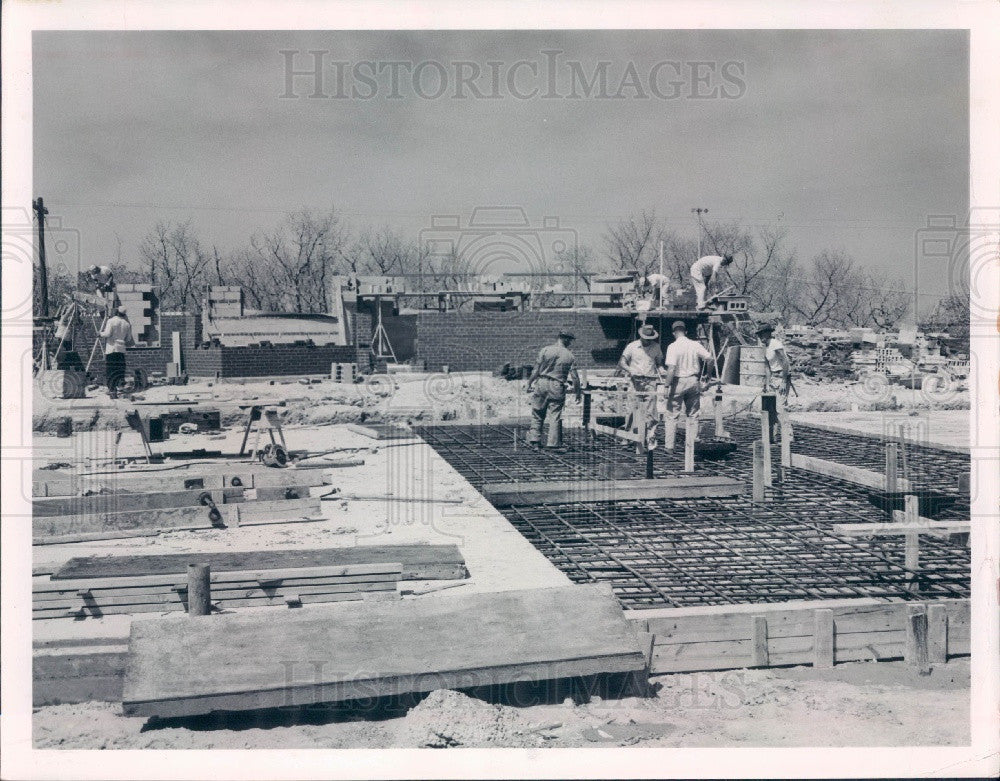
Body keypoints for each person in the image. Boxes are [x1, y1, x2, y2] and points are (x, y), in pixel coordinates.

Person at [526, 328, 581, 450]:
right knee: (554, 415)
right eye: (570, 340)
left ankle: (535, 441)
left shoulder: (545, 350)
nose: (570, 343)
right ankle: (553, 444)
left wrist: (529, 383)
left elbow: (536, 369)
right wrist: (578, 392)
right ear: (565, 339)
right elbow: (575, 377)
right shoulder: (570, 355)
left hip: (541, 382)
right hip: (557, 384)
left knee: (537, 412)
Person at [618, 323, 666, 444]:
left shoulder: (656, 347)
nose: (648, 341)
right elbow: (622, 362)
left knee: (651, 410)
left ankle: (649, 436)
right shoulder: (632, 346)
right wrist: (631, 370)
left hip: (650, 381)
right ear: (641, 336)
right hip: (635, 381)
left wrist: (662, 371)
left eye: (650, 339)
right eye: (646, 338)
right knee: (632, 409)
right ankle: (627, 436)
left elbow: (659, 363)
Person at [663, 320, 713, 421]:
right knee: (693, 415)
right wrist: (708, 375)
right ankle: (692, 436)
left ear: (673, 333)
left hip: (678, 382)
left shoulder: (672, 347)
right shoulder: (695, 344)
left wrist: (666, 386)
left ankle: (671, 436)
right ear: (686, 332)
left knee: (672, 415)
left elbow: (671, 369)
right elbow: (710, 359)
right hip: (693, 381)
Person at [757, 323, 792, 442]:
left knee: (781, 408)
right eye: (759, 335)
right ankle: (774, 436)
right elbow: (767, 367)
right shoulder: (765, 347)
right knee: (770, 409)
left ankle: (788, 436)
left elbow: (785, 362)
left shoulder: (775, 344)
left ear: (768, 333)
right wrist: (767, 383)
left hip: (781, 375)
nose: (761, 337)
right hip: (773, 377)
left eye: (763, 334)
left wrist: (783, 381)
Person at [100, 306, 134, 399]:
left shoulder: (111, 321)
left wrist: (100, 334)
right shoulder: (127, 324)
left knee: (110, 370)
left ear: (116, 312)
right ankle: (120, 387)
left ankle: (112, 390)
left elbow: (107, 334)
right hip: (121, 350)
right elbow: (129, 339)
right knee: (119, 370)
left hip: (112, 349)